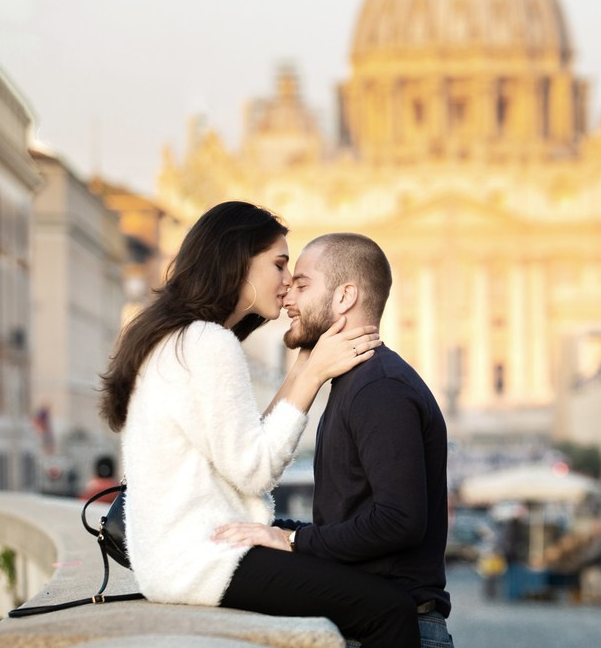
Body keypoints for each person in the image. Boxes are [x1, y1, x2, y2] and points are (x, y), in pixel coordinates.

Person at [99, 203, 419, 647]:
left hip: (175, 559)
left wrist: (302, 368)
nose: (287, 282)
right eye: (279, 264)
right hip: (203, 561)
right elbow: (253, 470)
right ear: (238, 262)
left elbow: (240, 448)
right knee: (390, 609)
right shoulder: (208, 343)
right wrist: (312, 377)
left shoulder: (181, 337)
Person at [214, 232, 454, 647]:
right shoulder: (358, 381)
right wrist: (271, 529)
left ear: (345, 297)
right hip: (373, 619)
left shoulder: (379, 387)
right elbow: (348, 524)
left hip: (399, 629)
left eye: (302, 285)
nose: (288, 297)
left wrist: (292, 540)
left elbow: (398, 521)